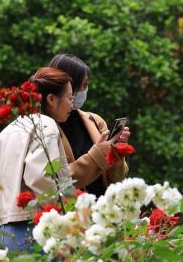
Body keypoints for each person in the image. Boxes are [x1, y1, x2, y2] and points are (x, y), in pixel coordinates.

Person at [0, 67, 123, 251]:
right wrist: (72, 214)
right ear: (52, 100)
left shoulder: (10, 130)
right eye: (70, 98)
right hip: (30, 229)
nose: (72, 104)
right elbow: (43, 178)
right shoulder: (46, 125)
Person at [48, 53, 131, 196]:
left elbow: (117, 178)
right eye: (84, 84)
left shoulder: (94, 121)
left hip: (101, 211)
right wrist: (97, 154)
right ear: (68, 85)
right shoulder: (45, 128)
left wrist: (116, 154)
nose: (86, 90)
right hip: (68, 215)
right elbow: (59, 183)